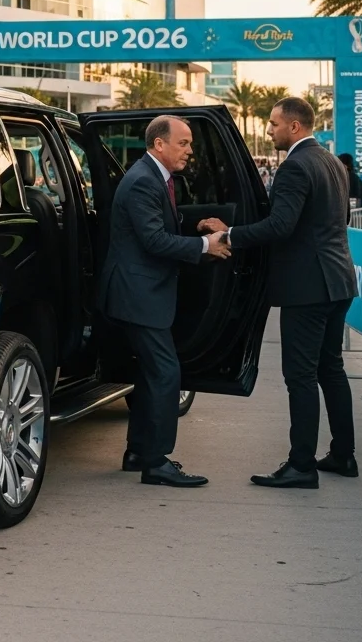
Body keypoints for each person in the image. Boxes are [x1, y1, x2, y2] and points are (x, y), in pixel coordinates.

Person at [199, 97, 357, 488]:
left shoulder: (295, 166)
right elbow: (334, 220)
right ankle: (343, 455)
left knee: (300, 376)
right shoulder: (331, 162)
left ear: (294, 126)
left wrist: (229, 234)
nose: (269, 130)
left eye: (273, 124)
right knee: (330, 369)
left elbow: (280, 226)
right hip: (338, 281)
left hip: (308, 288)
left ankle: (301, 466)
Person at [97, 114, 231, 487]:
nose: (189, 150)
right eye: (183, 143)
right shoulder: (143, 180)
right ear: (159, 144)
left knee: (150, 373)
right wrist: (205, 245)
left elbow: (156, 229)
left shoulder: (153, 176)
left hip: (142, 294)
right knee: (166, 373)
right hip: (138, 295)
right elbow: (154, 241)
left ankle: (138, 452)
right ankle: (156, 463)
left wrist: (193, 228)